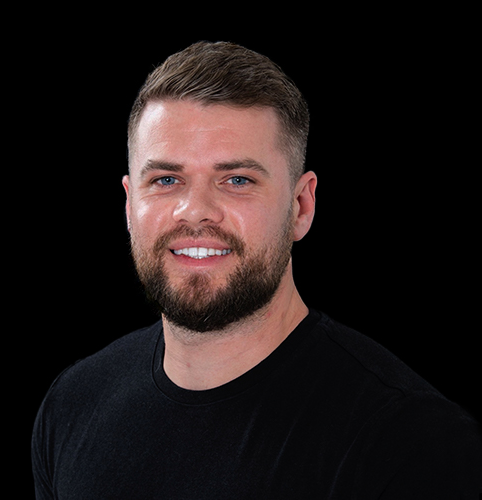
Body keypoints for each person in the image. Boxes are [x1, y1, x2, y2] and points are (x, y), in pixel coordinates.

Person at [32, 41, 481, 499]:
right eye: (166, 180)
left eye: (237, 180)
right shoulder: (72, 405)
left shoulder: (407, 441)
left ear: (301, 206)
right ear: (130, 206)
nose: (195, 211)